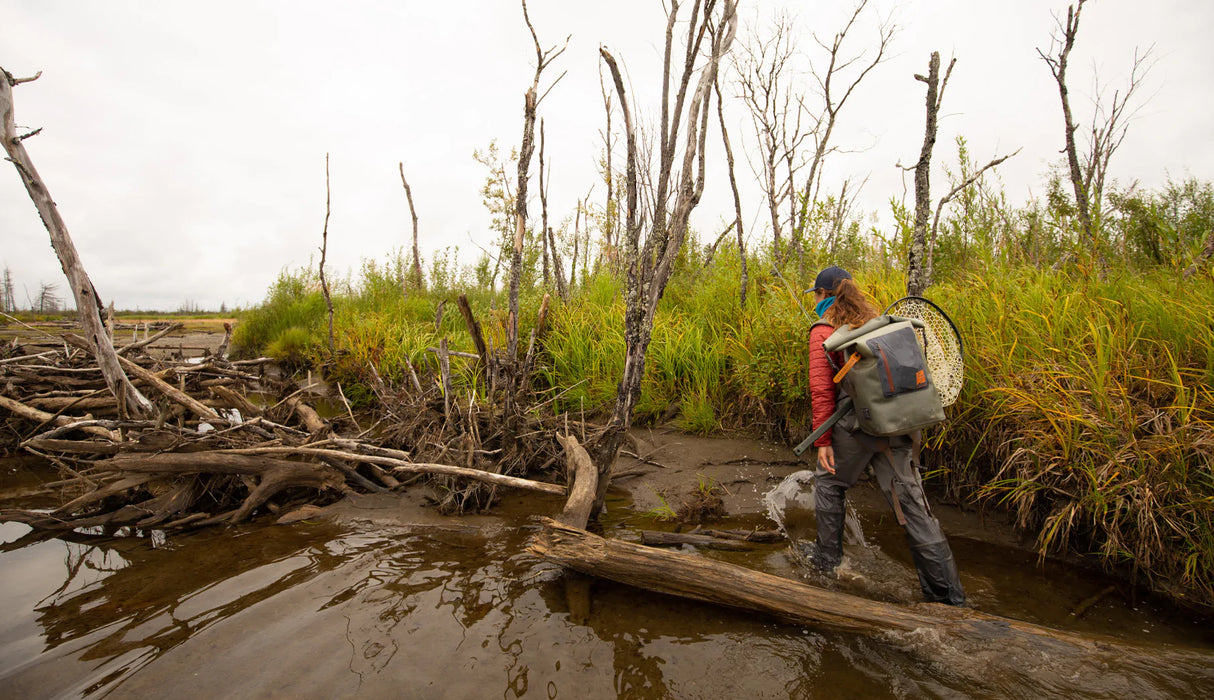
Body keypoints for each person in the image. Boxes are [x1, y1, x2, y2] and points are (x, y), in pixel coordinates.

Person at [807, 265, 967, 606]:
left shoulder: (823, 331)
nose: (815, 303)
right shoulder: (878, 321)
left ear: (824, 296)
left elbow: (821, 390)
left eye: (817, 296)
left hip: (856, 428)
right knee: (914, 507)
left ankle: (826, 567)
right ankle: (949, 598)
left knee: (829, 483)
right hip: (901, 425)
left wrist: (822, 442)